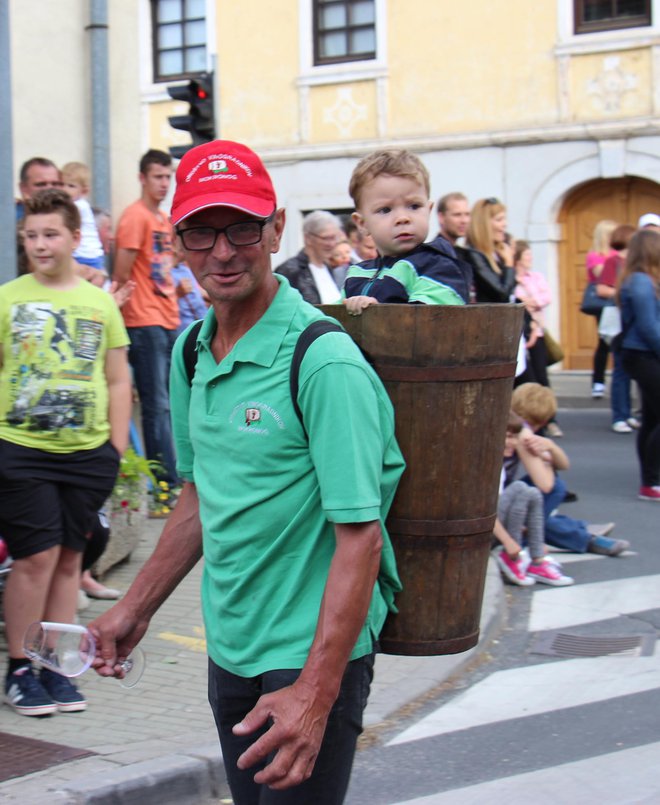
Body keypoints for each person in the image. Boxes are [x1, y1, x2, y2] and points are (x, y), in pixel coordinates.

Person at [88, 139, 405, 802]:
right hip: (230, 643)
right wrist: (135, 606)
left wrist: (316, 692)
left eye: (242, 228)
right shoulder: (192, 352)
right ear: (175, 240)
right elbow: (203, 496)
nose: (223, 251)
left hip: (309, 650)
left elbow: (361, 536)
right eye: (201, 232)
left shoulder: (323, 361)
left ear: (276, 228)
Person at [0, 188, 131, 716]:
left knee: (70, 561)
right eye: (31, 236)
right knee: (35, 558)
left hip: (87, 455)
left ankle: (55, 667)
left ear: (76, 239)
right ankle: (19, 670)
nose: (39, 244)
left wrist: (114, 450)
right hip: (22, 450)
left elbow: (118, 380)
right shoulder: (8, 298)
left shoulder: (100, 303)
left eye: (50, 234)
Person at [113, 149, 180, 487]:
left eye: (168, 177)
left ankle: (173, 477)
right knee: (156, 406)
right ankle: (162, 484)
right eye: (157, 177)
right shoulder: (134, 216)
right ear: (142, 178)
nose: (164, 183)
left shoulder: (163, 219)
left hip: (168, 317)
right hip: (143, 320)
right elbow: (122, 273)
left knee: (172, 404)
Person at [341, 149, 470, 314]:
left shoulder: (438, 267)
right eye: (385, 209)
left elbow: (431, 320)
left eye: (414, 206)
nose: (403, 218)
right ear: (362, 223)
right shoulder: (356, 273)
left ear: (428, 210)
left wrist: (380, 312)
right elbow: (331, 319)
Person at [511, 383, 630, 556]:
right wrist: (547, 461)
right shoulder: (523, 433)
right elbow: (546, 486)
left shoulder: (519, 426)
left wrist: (550, 447)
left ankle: (576, 528)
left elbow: (564, 464)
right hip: (498, 498)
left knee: (539, 501)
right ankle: (582, 535)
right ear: (543, 421)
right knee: (552, 493)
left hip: (502, 491)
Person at [495, 411, 574, 587]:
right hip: (491, 528)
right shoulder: (487, 463)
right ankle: (512, 555)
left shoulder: (506, 457)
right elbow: (482, 511)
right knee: (523, 489)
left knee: (531, 492)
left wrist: (548, 450)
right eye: (507, 437)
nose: (514, 443)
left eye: (515, 437)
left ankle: (537, 559)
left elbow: (563, 466)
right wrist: (509, 542)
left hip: (500, 518)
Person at [618, 229, 660, 501]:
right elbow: (648, 326)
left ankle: (649, 481)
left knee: (652, 417)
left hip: (641, 353)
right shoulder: (642, 282)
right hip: (643, 353)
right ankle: (651, 479)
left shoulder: (641, 280)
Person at [595, 224, 639, 434]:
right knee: (621, 369)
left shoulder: (634, 263)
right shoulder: (614, 261)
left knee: (630, 369)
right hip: (619, 319)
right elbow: (601, 288)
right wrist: (623, 293)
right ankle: (619, 415)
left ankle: (628, 413)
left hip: (632, 319)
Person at [275, 210, 344, 303]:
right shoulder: (290, 271)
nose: (332, 244)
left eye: (334, 238)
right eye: (326, 238)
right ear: (308, 238)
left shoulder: (329, 268)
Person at [586, 219, 618, 399]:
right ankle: (598, 382)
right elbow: (603, 276)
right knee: (604, 342)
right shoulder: (595, 255)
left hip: (615, 302)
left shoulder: (615, 254)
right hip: (603, 304)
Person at [462, 198, 516, 303]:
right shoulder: (474, 255)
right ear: (485, 224)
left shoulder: (497, 254)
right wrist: (509, 265)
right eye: (499, 220)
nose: (505, 224)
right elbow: (502, 293)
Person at [61, 161, 107, 279]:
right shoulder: (80, 205)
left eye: (71, 186)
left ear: (84, 191)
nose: (64, 189)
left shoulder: (78, 206)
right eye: (62, 184)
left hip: (84, 255)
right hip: (91, 255)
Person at [16, 157, 62, 276]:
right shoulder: (9, 219)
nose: (49, 189)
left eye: (55, 183)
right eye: (41, 184)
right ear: (23, 188)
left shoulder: (70, 216)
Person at [171, 243, 210, 335]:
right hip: (184, 327)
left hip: (202, 321)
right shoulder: (166, 272)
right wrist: (178, 292)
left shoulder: (185, 269)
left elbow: (197, 293)